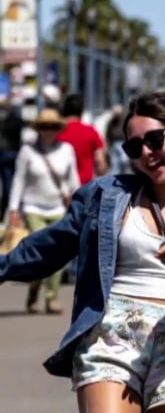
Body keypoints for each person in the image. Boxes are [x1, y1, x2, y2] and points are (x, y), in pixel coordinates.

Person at [0, 91, 165, 412]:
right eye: (134, 147)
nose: (146, 153)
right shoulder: (106, 196)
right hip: (112, 335)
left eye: (154, 140)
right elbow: (50, 246)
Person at [7, 108, 79, 314]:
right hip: (33, 208)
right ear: (38, 129)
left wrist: (78, 202)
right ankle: (34, 288)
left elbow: (73, 178)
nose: (48, 130)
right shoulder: (27, 151)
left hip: (58, 207)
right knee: (40, 252)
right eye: (44, 126)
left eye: (52, 126)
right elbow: (19, 180)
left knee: (59, 254)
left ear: (58, 129)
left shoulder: (66, 149)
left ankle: (51, 296)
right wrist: (14, 209)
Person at [56, 93, 108, 185]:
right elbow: (100, 164)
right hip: (84, 186)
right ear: (81, 111)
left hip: (61, 186)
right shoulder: (91, 131)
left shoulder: (56, 132)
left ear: (64, 110)